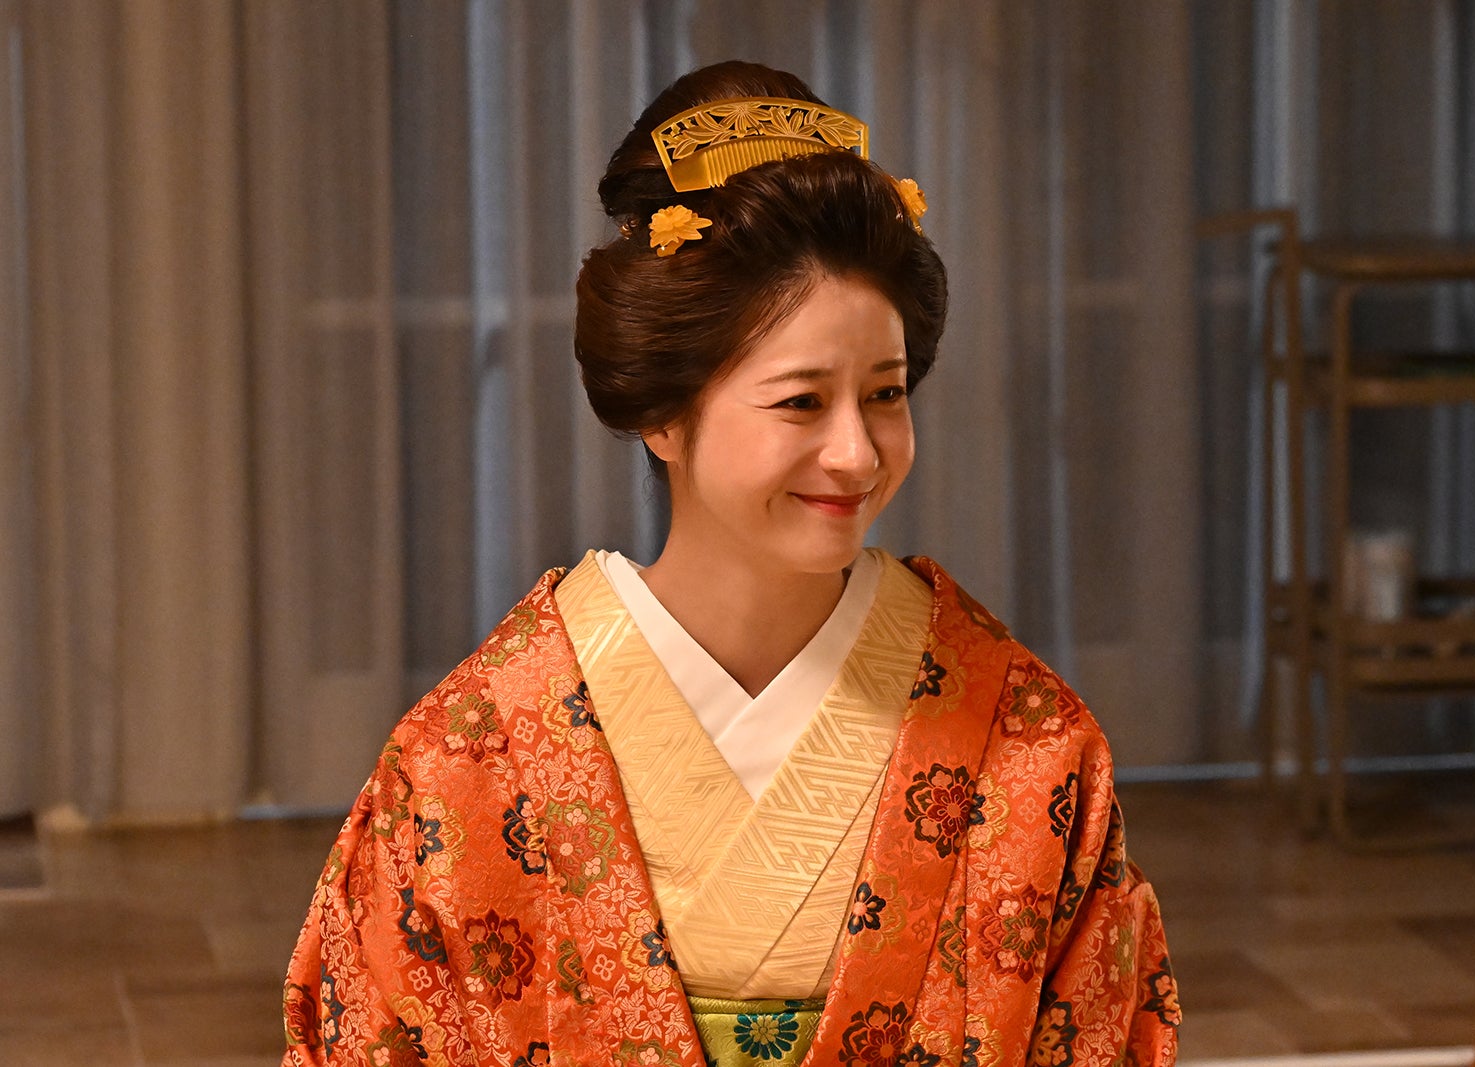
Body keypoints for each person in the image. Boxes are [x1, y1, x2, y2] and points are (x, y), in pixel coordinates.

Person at [281, 61, 1179, 1067]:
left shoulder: (1028, 744)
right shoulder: (469, 757)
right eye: (801, 401)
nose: (856, 452)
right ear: (664, 412)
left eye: (885, 394)